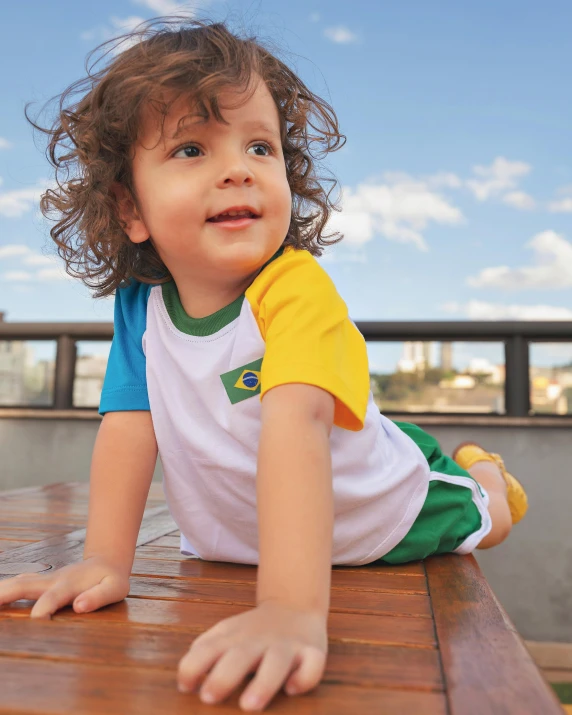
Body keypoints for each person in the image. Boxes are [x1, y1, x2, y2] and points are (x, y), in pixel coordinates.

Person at [0, 18, 528, 712]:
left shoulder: (295, 290)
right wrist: (105, 559)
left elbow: (296, 426)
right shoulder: (141, 309)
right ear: (130, 206)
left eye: (261, 145)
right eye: (192, 147)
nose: (239, 166)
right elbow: (129, 427)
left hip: (379, 511)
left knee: (485, 516)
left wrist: (289, 608)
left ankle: (481, 468)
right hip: (238, 540)